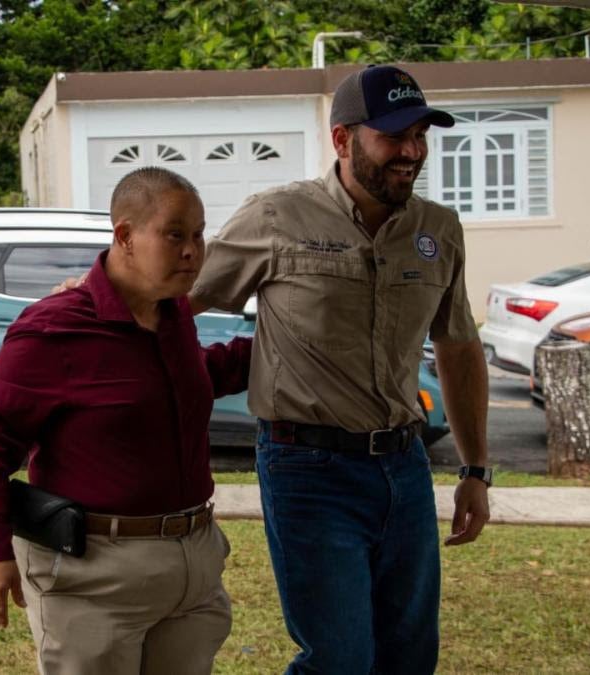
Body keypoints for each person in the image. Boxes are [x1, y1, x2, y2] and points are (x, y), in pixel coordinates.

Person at [187, 65, 492, 673]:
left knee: (410, 656)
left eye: (421, 136)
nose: (411, 152)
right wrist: (91, 296)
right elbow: (177, 295)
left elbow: (458, 346)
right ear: (343, 139)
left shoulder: (439, 229)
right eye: (394, 136)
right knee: (339, 660)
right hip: (307, 468)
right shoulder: (277, 216)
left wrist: (475, 469)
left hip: (402, 470)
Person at [0, 168, 251, 674]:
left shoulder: (172, 315)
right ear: (125, 236)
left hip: (191, 568)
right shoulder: (55, 328)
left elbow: (182, 381)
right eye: (175, 234)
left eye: (199, 235)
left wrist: (286, 344)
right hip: (94, 580)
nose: (192, 251)